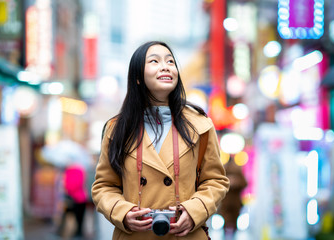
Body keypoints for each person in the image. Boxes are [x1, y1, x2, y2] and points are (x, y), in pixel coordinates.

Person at [91, 41, 230, 240]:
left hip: (185, 235)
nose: (165, 66)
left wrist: (194, 211)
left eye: (170, 61)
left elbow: (215, 181)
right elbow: (104, 186)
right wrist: (122, 212)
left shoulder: (200, 126)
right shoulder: (117, 129)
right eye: (154, 61)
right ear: (138, 77)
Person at [57, 163, 88, 238]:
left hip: (75, 199)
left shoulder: (70, 171)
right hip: (79, 198)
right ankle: (78, 233)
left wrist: (66, 189)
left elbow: (70, 185)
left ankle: (77, 233)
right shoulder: (79, 170)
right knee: (79, 218)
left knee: (75, 217)